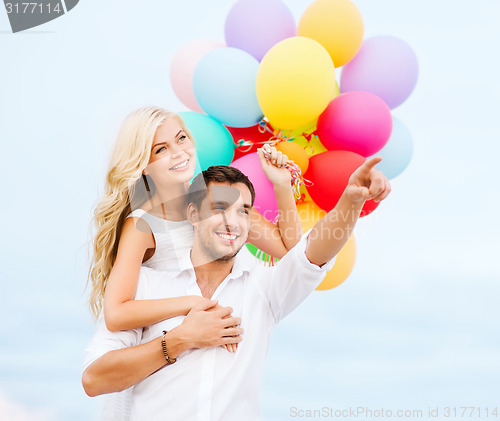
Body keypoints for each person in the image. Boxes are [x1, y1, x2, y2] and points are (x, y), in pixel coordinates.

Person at [82, 162, 391, 420]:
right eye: (219, 208)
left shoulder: (263, 289)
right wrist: (180, 339)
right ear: (192, 215)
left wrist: (351, 201)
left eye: (243, 211)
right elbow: (95, 379)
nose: (233, 222)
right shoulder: (148, 285)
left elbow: (311, 252)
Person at [87, 106, 302, 346]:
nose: (179, 152)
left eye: (181, 139)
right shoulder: (144, 224)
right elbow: (116, 314)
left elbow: (290, 251)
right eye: (161, 149)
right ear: (144, 166)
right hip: (174, 350)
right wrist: (193, 302)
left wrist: (282, 185)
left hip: (223, 343)